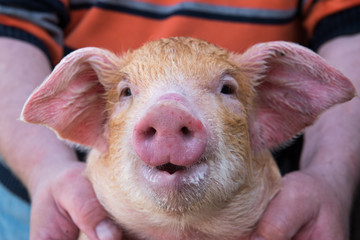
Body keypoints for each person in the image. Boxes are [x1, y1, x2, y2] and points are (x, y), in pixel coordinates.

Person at [0, 1, 359, 239]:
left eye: (228, 90)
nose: (170, 120)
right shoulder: (89, 95)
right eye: (125, 92)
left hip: (283, 212)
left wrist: (331, 177)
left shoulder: (271, 90)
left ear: (275, 106)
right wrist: (44, 169)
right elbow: (9, 25)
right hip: (61, 200)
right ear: (85, 105)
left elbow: (350, 22)